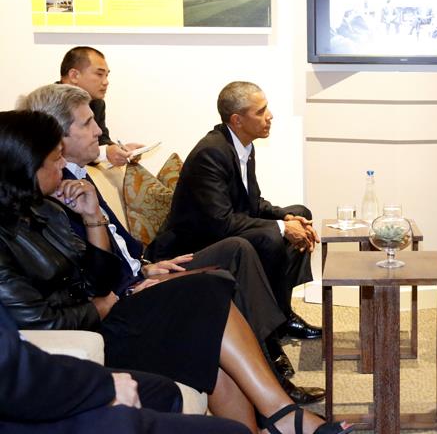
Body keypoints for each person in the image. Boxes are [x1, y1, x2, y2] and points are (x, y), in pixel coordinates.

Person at [0, 109, 351, 434]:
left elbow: (101, 279)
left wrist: (93, 218)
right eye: (55, 158)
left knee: (209, 307)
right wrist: (104, 303)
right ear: (26, 166)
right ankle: (283, 414)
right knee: (204, 290)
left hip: (110, 311)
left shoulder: (46, 209)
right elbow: (44, 324)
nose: (63, 164)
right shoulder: (7, 236)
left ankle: (272, 420)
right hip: (93, 332)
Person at [149, 81, 322, 342]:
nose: (270, 116)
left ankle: (282, 313)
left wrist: (286, 218)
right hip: (192, 246)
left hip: (221, 229)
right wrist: (281, 228)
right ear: (237, 120)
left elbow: (252, 203)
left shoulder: (243, 146)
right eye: (261, 111)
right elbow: (220, 222)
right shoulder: (211, 153)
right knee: (271, 235)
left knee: (300, 212)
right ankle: (270, 327)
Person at [0, 301, 250, 433]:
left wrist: (94, 220)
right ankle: (270, 415)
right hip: (19, 405)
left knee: (166, 391)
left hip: (26, 376)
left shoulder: (48, 222)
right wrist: (105, 386)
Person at [59, 46, 142, 167]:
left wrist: (121, 151)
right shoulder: (50, 105)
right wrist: (105, 153)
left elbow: (102, 140)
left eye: (106, 75)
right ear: (74, 75)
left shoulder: (97, 103)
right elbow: (63, 151)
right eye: (99, 74)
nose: (106, 82)